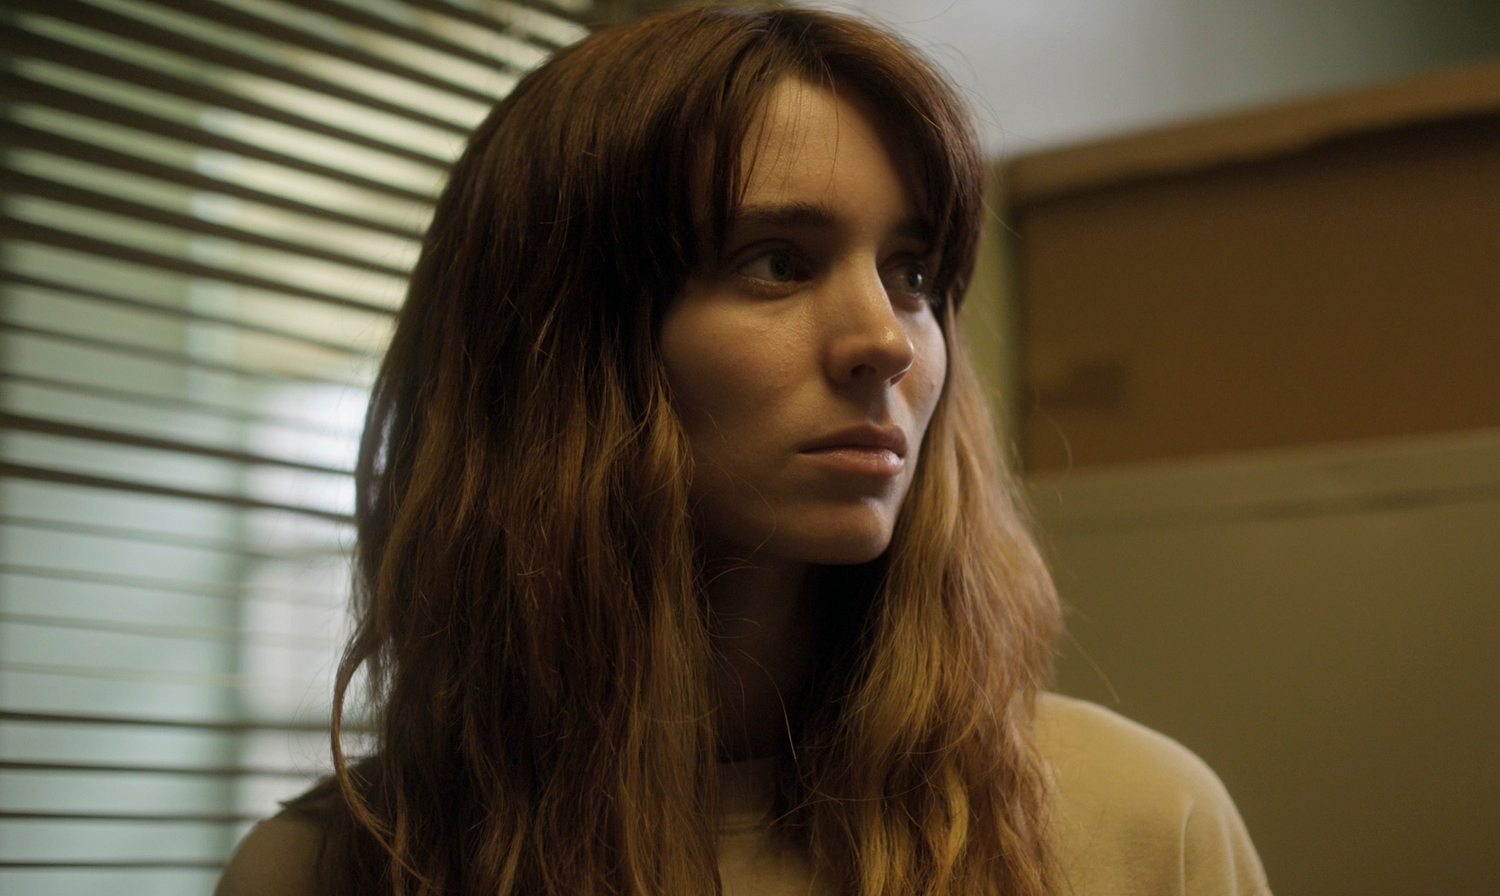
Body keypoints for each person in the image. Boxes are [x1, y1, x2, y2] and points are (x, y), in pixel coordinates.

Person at [216, 6, 1270, 896]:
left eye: (912, 272)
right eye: (776, 261)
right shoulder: (324, 869)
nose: (888, 341)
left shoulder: (1137, 826)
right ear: (561, 347)